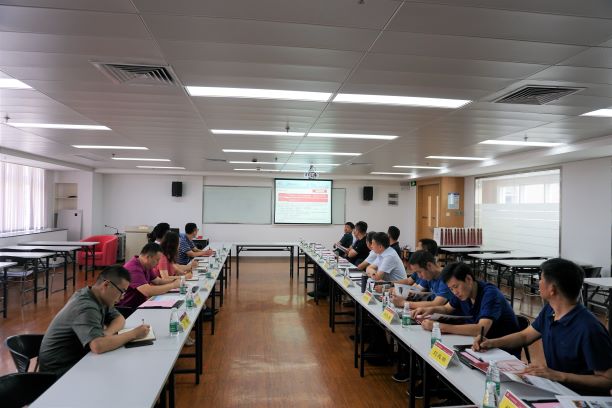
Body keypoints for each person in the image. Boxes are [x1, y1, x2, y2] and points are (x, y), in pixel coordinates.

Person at [473, 258, 612, 395]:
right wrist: (491, 342)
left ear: (552, 289)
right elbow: (524, 336)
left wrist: (559, 376)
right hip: (556, 389)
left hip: (579, 398)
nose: (538, 282)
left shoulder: (589, 329)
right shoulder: (550, 311)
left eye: (541, 279)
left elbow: (607, 380)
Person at [38, 265, 150, 377]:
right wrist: (134, 334)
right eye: (122, 292)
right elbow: (98, 346)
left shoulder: (98, 296)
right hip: (58, 373)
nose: (122, 297)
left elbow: (119, 318)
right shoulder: (86, 306)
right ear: (106, 285)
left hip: (78, 360)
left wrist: (107, 333)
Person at [413, 262, 520, 356]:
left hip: (501, 351)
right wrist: (431, 310)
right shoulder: (463, 293)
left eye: (456, 286)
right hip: (477, 345)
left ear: (468, 279)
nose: (455, 292)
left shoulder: (490, 294)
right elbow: (446, 308)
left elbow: (480, 329)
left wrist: (440, 327)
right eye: (451, 289)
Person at [116, 243, 181, 309]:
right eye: (157, 260)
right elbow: (147, 291)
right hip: (127, 308)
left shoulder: (145, 265)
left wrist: (177, 280)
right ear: (148, 257)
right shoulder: (134, 268)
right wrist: (173, 285)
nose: (158, 263)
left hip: (140, 304)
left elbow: (158, 281)